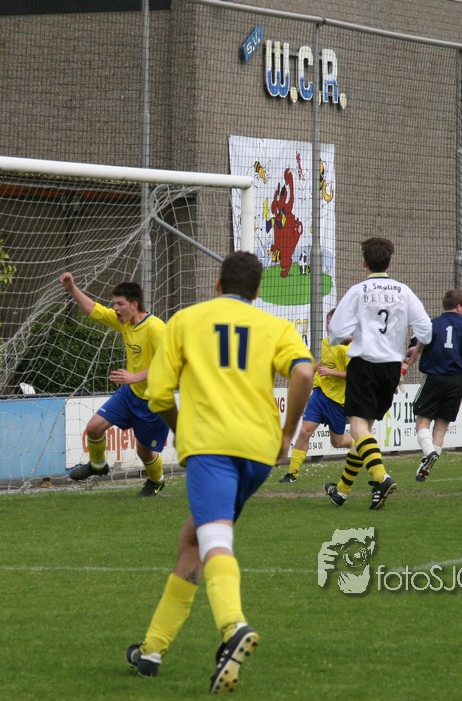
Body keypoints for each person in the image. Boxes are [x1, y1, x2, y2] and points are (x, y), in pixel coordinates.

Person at [125, 251, 312, 692]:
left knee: (214, 541)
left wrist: (181, 429)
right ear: (257, 291)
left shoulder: (186, 321)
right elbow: (304, 374)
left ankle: (233, 628)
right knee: (193, 539)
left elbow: (158, 394)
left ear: (217, 283)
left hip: (211, 448)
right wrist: (287, 434)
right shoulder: (275, 326)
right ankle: (151, 650)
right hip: (259, 451)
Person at [325, 237, 432, 510]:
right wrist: (416, 350)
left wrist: (348, 336)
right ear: (389, 262)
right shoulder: (403, 291)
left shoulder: (358, 291)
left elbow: (335, 332)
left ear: (364, 262)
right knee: (365, 433)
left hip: (364, 364)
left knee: (357, 429)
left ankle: (381, 478)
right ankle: (342, 490)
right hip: (391, 368)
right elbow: (426, 330)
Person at [60, 272, 169, 497]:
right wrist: (72, 289)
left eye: (119, 304)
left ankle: (156, 481)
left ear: (134, 305)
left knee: (144, 452)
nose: (115, 308)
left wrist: (134, 377)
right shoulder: (126, 323)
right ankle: (98, 465)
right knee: (93, 427)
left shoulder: (156, 328)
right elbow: (94, 310)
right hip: (130, 394)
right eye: (114, 303)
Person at [406, 290, 462, 482]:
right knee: (442, 425)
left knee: (422, 421)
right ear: (459, 307)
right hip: (458, 381)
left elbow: (414, 344)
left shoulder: (431, 324)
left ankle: (429, 452)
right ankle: (426, 465)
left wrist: (413, 351)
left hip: (435, 377)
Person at [279, 308, 352, 483]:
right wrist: (309, 370)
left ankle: (364, 444)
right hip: (319, 393)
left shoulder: (348, 349)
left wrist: (331, 372)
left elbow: (355, 375)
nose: (328, 326)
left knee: (338, 442)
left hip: (337, 400)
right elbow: (325, 361)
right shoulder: (326, 342)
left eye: (332, 323)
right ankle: (292, 473)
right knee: (305, 431)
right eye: (327, 323)